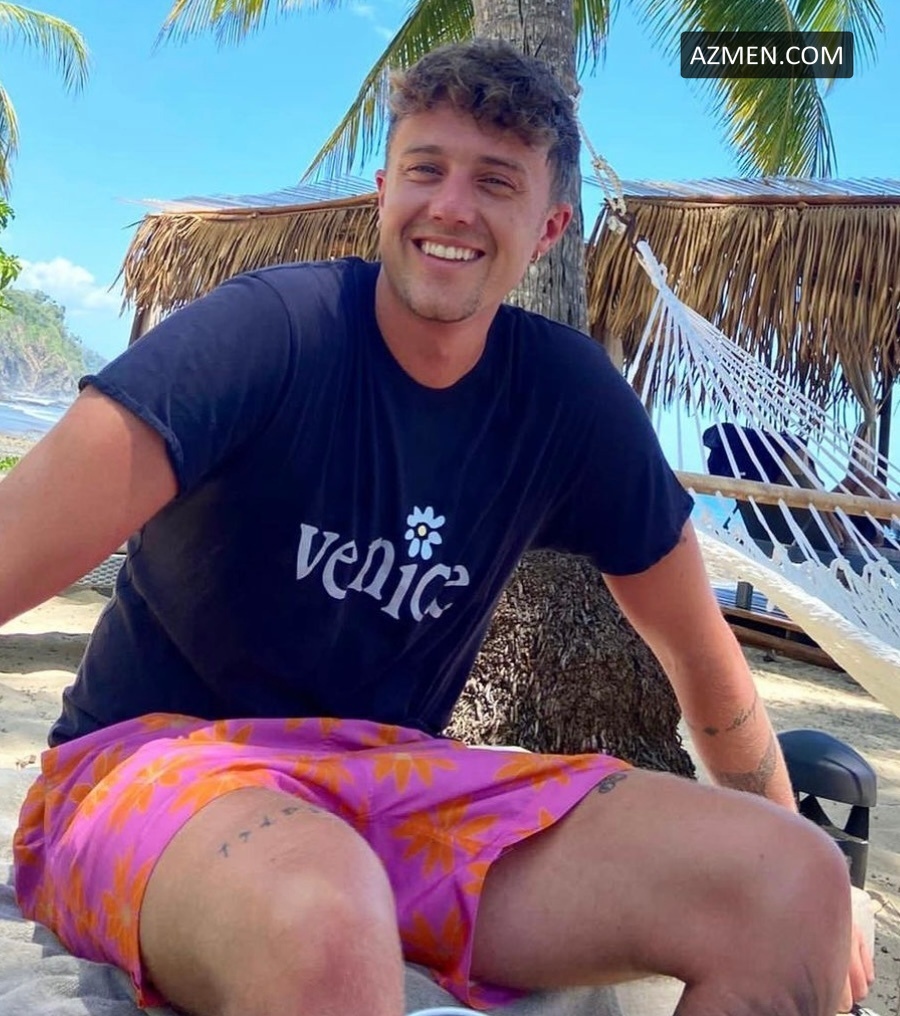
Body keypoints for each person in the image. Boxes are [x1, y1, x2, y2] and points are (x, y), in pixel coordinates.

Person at [4, 38, 873, 1016]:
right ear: (384, 193)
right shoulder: (269, 335)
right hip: (139, 767)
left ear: (549, 228)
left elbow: (701, 658)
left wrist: (802, 854)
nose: (452, 206)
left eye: (495, 181)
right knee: (324, 916)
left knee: (794, 888)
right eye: (426, 169)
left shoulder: (566, 401)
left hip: (385, 780)